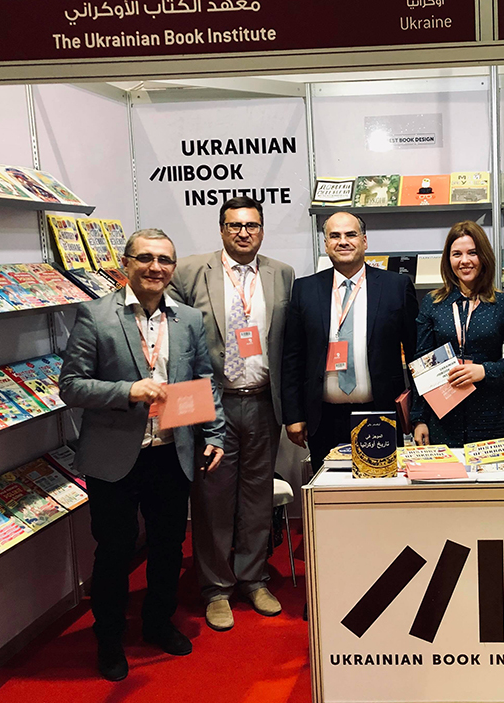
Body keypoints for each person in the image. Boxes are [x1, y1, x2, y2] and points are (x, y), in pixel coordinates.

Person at [59, 229, 224, 682]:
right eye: (146, 258)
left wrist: (215, 433)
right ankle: (109, 639)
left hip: (172, 451)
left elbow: (204, 379)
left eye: (165, 260)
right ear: (126, 263)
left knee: (169, 545)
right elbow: (71, 386)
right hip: (114, 456)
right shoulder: (95, 315)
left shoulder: (188, 318)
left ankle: (157, 623)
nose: (156, 267)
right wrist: (127, 391)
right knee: (114, 550)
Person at [167, 196, 295, 632]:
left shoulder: (282, 273)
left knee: (257, 497)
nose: (244, 232)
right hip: (211, 404)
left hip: (263, 402)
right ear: (221, 229)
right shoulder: (190, 271)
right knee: (212, 499)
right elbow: (175, 341)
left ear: (262, 230)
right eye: (235, 225)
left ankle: (254, 579)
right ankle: (216, 588)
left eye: (252, 225)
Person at [282, 211, 418, 470]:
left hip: (380, 413)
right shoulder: (304, 289)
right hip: (323, 418)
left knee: (380, 487)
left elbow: (415, 353)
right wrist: (294, 415)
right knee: (329, 490)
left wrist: (420, 414)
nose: (343, 241)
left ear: (364, 241)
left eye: (351, 235)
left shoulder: (396, 287)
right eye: (335, 236)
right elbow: (292, 358)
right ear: (326, 245)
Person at [411, 221, 504, 447]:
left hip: (492, 417)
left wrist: (484, 371)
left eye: (472, 253)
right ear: (448, 260)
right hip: (443, 420)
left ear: (484, 257)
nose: (465, 261)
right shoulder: (432, 303)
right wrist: (419, 419)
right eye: (457, 254)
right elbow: (421, 362)